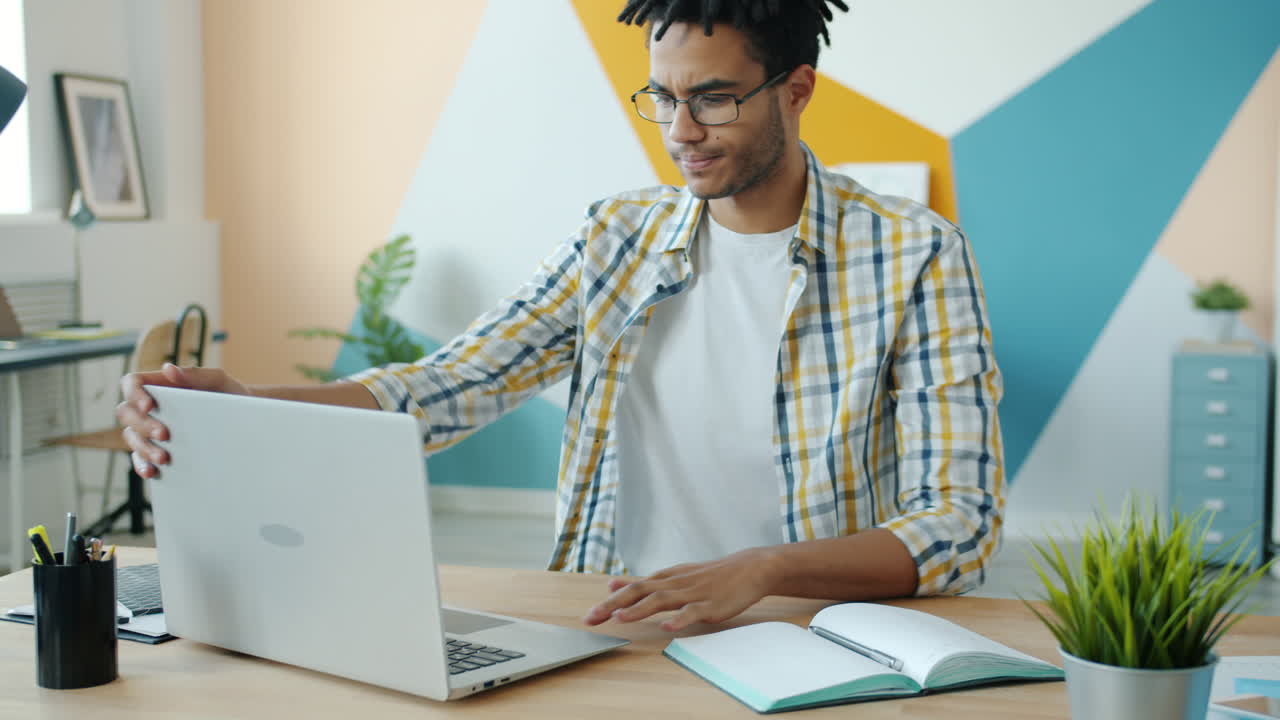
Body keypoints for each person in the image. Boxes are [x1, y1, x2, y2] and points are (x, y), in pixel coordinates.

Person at [118, 0, 1005, 633]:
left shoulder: (915, 252)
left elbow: (956, 521)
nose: (681, 130)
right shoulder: (616, 235)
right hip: (616, 621)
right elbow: (452, 383)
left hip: (811, 634)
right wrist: (243, 401)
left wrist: (763, 569)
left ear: (797, 89)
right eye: (662, 96)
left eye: (714, 98)